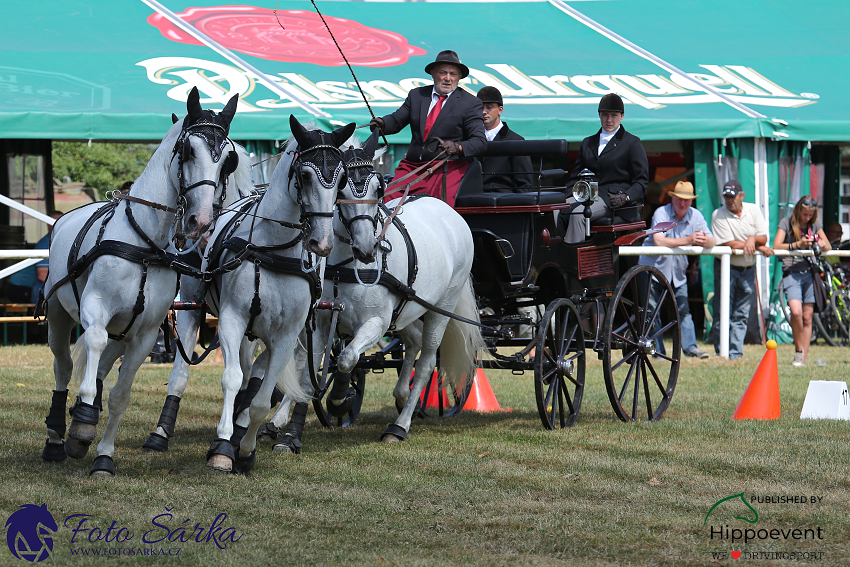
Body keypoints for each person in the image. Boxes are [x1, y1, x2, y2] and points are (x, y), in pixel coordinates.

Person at [370, 50, 486, 207]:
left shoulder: (470, 103)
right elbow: (397, 120)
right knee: (387, 202)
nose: (447, 78)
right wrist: (382, 124)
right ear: (433, 73)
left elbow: (479, 142)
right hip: (411, 167)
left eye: (453, 74)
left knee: (435, 210)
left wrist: (457, 146)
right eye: (443, 73)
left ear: (459, 77)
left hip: (446, 167)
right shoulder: (417, 95)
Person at [557, 93, 648, 243]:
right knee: (554, 211)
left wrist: (626, 196)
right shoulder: (588, 142)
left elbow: (641, 182)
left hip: (613, 200)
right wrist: (561, 199)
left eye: (614, 115)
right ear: (599, 115)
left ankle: (573, 261)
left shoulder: (632, 143)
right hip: (587, 195)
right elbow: (575, 177)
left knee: (579, 213)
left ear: (622, 116)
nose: (609, 120)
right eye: (605, 115)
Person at [639, 181, 716, 358]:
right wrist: (689, 240)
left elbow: (713, 241)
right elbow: (659, 241)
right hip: (652, 270)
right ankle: (657, 351)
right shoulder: (661, 212)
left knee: (683, 309)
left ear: (692, 201)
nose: (683, 204)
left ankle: (691, 348)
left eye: (687, 200)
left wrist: (705, 241)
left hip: (677, 273)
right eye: (680, 199)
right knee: (652, 311)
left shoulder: (695, 215)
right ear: (672, 198)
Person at [710, 180, 773, 360]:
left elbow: (763, 237)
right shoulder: (718, 214)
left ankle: (735, 353)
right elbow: (729, 243)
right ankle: (722, 352)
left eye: (732, 196)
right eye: (726, 196)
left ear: (741, 195)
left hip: (748, 267)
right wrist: (757, 245)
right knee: (723, 311)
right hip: (726, 268)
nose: (729, 200)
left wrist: (754, 240)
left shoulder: (753, 209)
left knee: (741, 313)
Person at [773, 196, 831, 367]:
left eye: (809, 215)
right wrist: (797, 244)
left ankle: (802, 359)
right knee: (796, 312)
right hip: (792, 272)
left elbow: (827, 245)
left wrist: (817, 243)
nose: (807, 218)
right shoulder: (786, 222)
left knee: (807, 317)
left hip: (810, 273)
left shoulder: (815, 225)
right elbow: (776, 245)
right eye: (804, 214)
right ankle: (799, 350)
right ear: (798, 210)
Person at [474, 86, 533, 192]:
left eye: (489, 107)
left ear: (500, 110)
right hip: (473, 200)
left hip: (504, 202)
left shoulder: (516, 141)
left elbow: (525, 184)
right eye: (480, 108)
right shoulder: (471, 138)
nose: (484, 111)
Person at [5, 211, 62, 304]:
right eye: (55, 222)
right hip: (19, 286)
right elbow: (42, 275)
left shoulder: (59, 241)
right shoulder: (44, 244)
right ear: (48, 225)